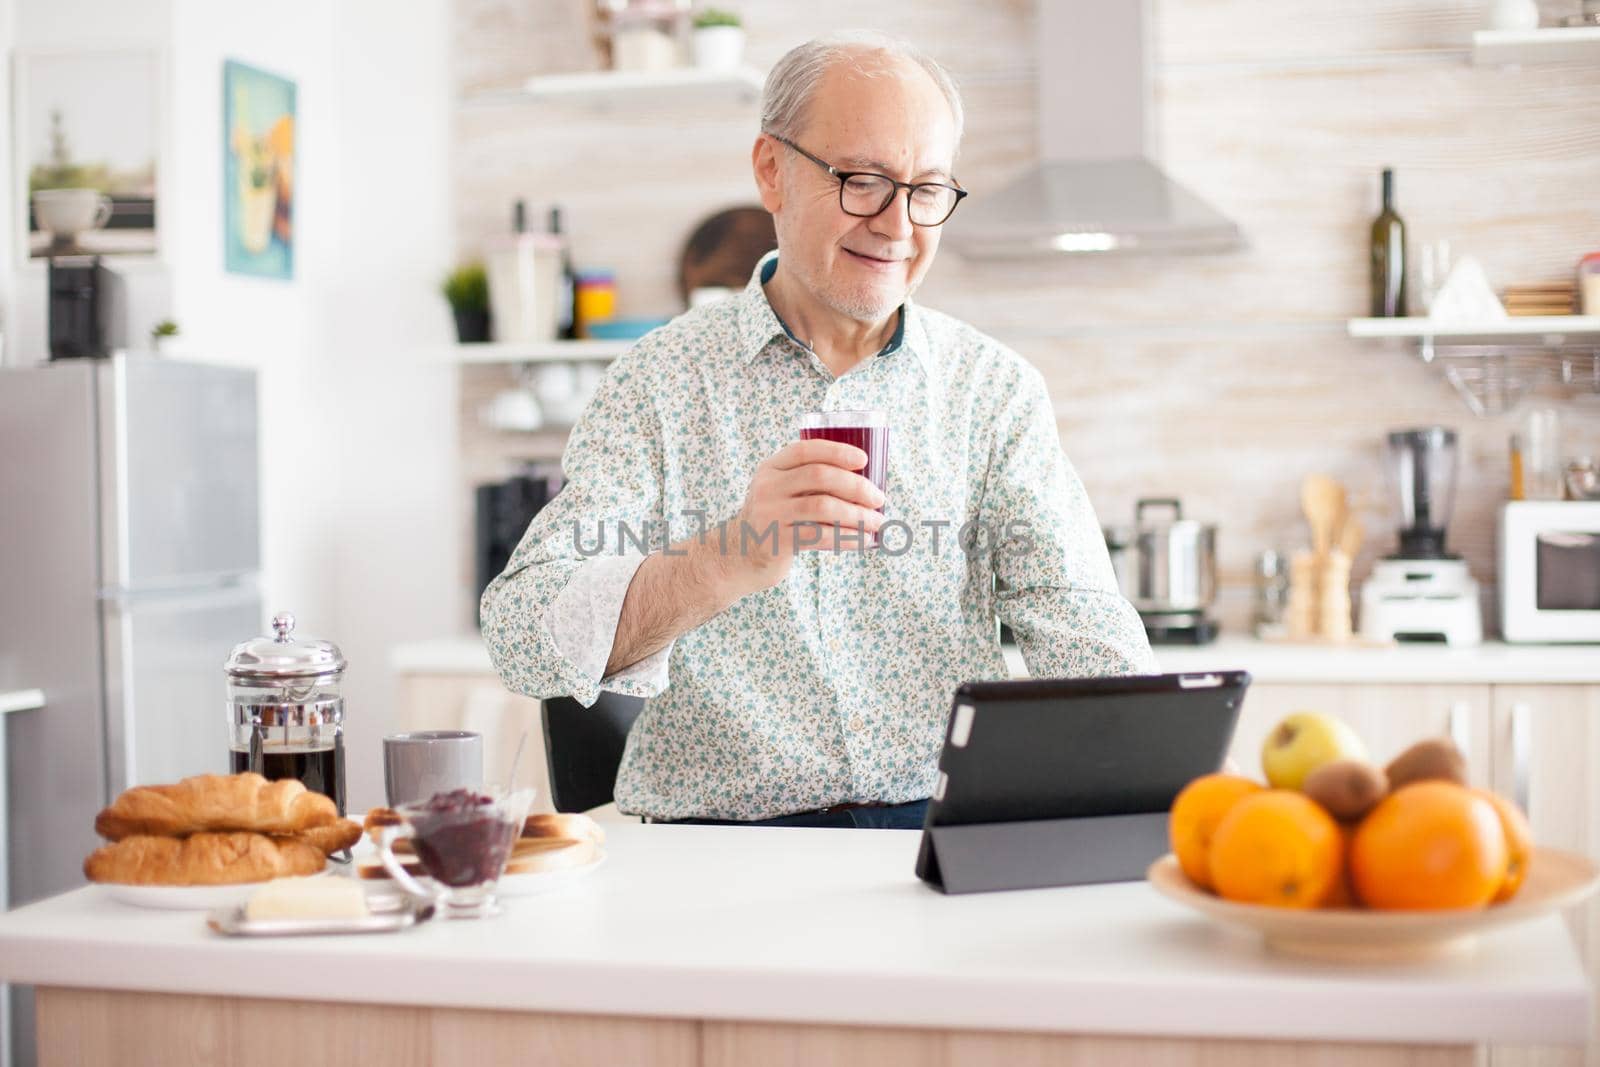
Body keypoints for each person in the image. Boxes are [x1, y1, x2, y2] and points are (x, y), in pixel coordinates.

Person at [481, 31, 1155, 829]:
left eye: (927, 189)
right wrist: (728, 555)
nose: (898, 224)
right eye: (863, 180)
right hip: (719, 849)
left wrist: (1155, 779)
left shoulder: (992, 390)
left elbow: (1078, 619)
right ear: (772, 170)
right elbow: (522, 634)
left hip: (933, 835)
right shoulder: (655, 385)